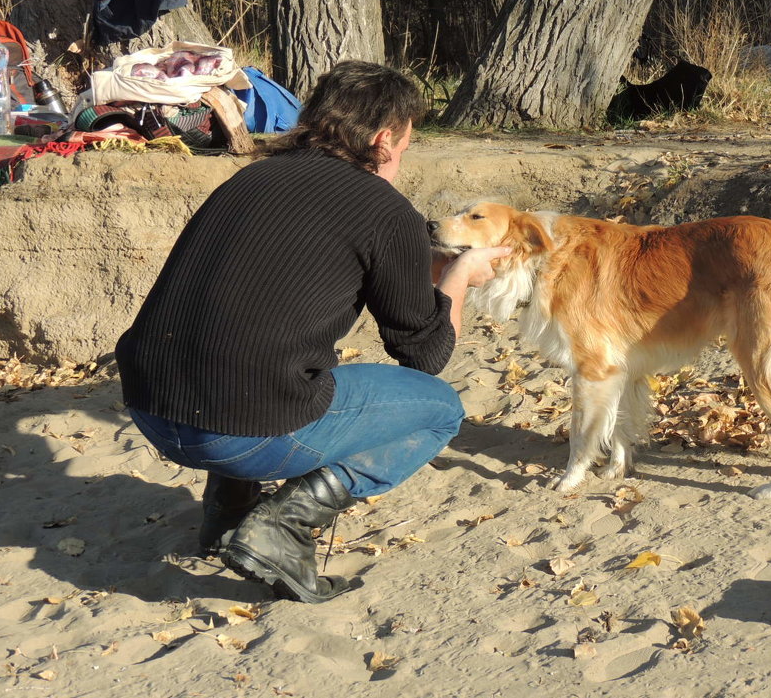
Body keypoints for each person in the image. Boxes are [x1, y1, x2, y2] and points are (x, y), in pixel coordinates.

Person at [115, 60, 509, 603]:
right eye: (404, 147)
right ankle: (282, 527)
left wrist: (421, 270)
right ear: (382, 138)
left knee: (255, 355)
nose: (400, 160)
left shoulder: (252, 178)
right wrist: (459, 279)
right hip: (232, 433)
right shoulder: (386, 210)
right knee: (439, 408)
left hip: (151, 406)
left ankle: (227, 516)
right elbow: (426, 354)